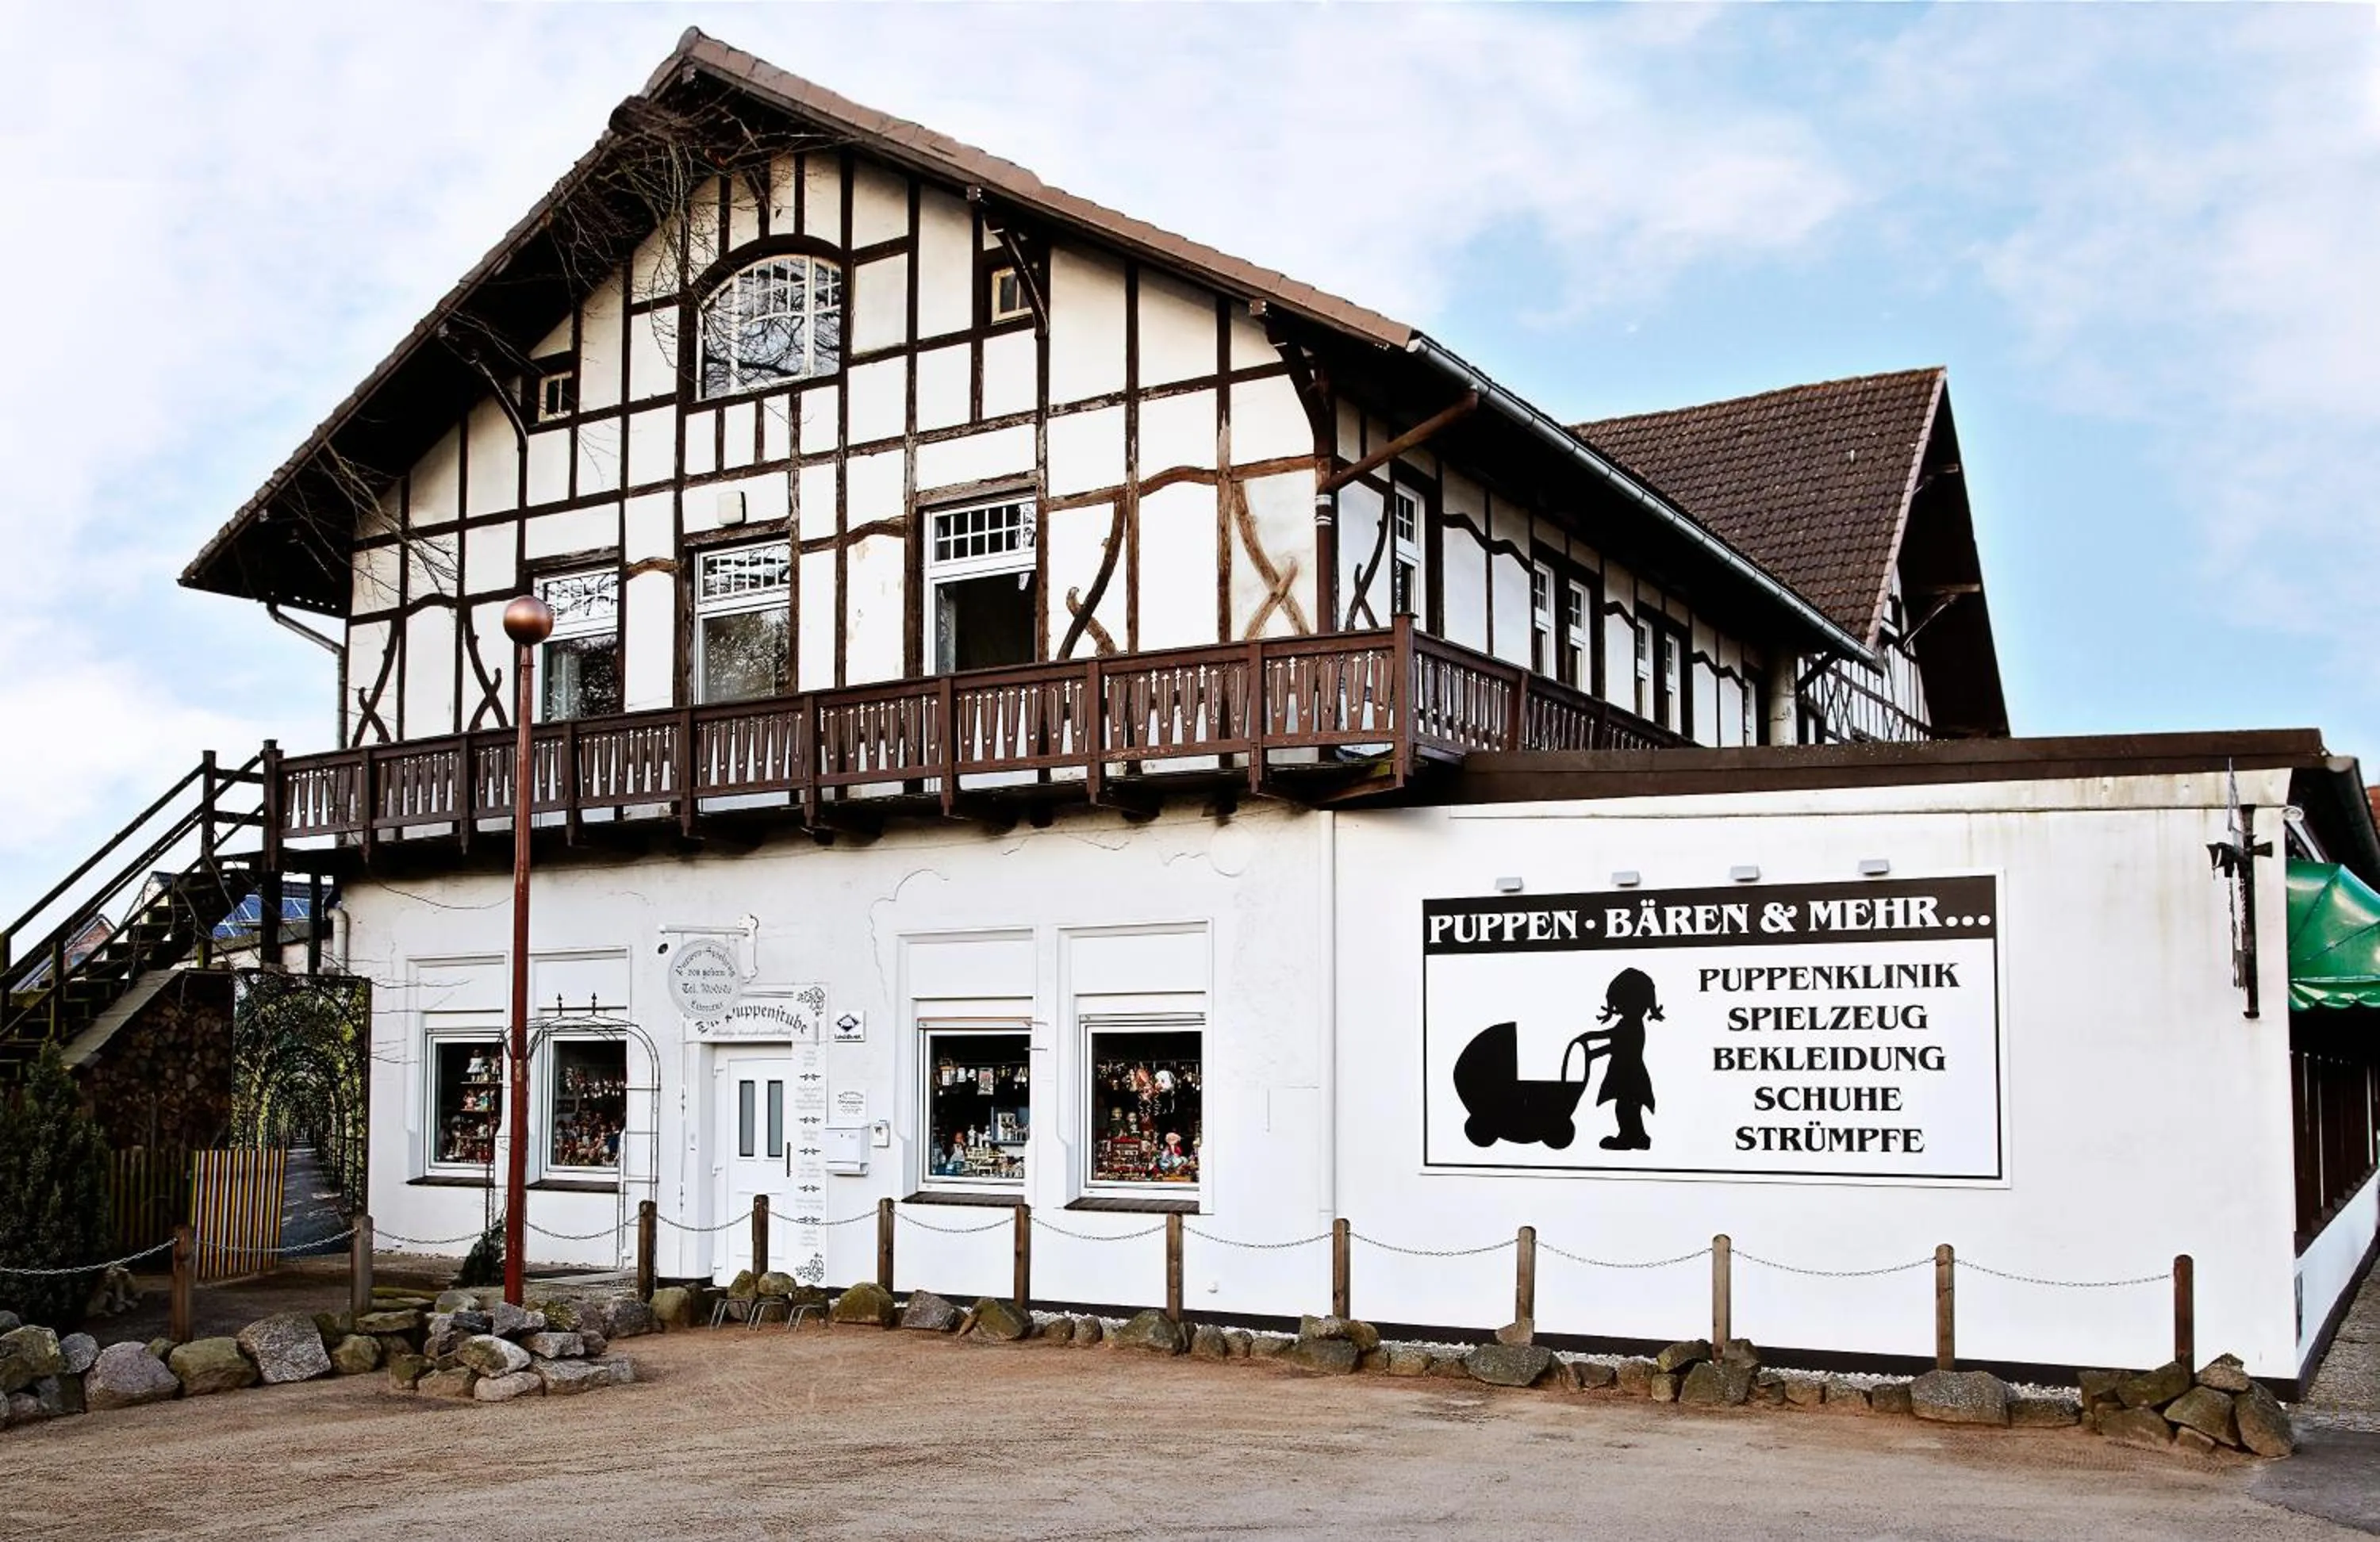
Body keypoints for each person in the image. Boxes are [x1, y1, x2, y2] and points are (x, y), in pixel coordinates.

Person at [1572, 967, 1660, 1150]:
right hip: (1626, 1073)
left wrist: (1593, 1052)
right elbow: (1611, 1035)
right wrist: (1590, 1036)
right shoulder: (1627, 1023)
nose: (1622, 1008)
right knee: (1629, 1107)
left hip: (1629, 1075)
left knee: (1626, 1107)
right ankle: (1637, 1136)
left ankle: (1629, 1137)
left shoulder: (1633, 1026)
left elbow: (1618, 1046)